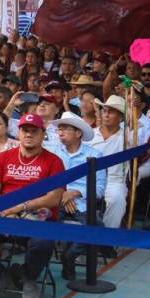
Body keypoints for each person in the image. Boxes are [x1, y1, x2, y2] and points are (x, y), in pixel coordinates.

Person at [0, 113, 65, 298]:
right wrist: (3, 209)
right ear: (19, 133)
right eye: (25, 130)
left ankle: (28, 276)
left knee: (43, 242)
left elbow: (54, 198)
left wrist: (20, 207)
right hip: (4, 213)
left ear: (42, 134)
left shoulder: (54, 161)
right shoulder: (4, 157)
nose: (29, 135)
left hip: (37, 214)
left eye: (34, 131)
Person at [45, 112, 106, 280]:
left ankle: (69, 256)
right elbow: (44, 179)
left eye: (65, 129)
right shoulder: (52, 152)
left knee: (95, 227)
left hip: (82, 201)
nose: (60, 133)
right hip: (57, 199)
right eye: (59, 129)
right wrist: (63, 193)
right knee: (44, 225)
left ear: (78, 133)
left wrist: (75, 193)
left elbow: (100, 188)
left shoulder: (94, 155)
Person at [88, 95, 128, 229]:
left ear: (121, 118)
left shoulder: (127, 136)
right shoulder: (90, 134)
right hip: (89, 179)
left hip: (114, 180)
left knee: (117, 200)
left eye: (111, 111)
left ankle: (107, 242)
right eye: (104, 110)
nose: (106, 114)